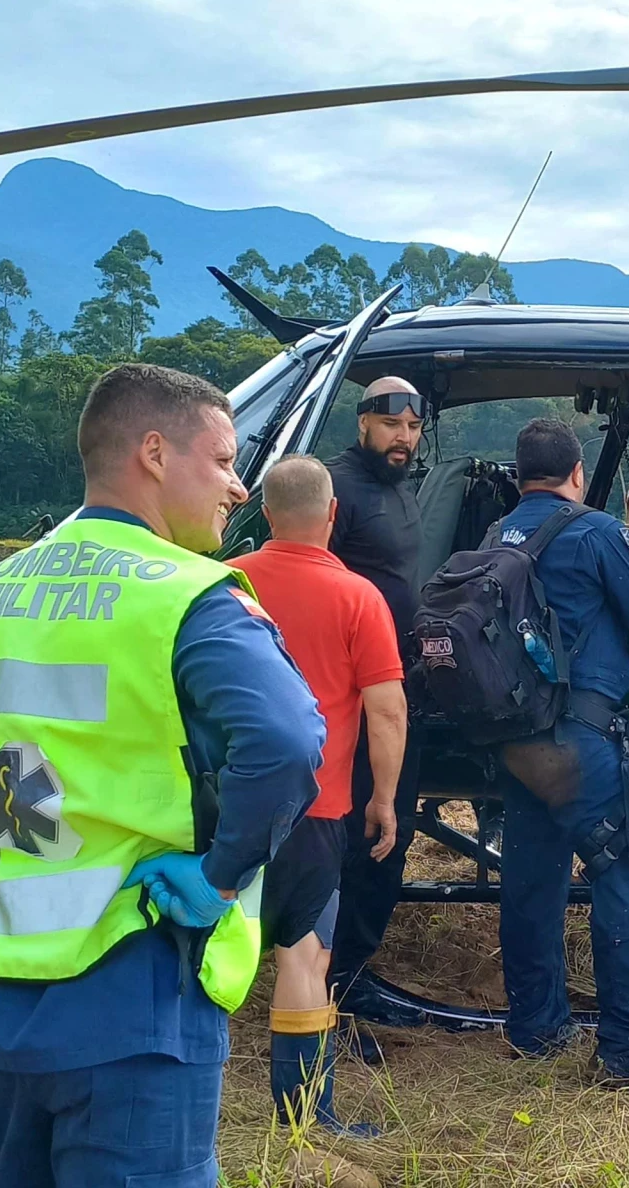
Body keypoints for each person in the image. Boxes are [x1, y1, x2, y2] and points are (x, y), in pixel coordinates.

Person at [0, 363, 325, 1188]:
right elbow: (290, 740)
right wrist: (220, 874)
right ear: (155, 453)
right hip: (139, 990)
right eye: (225, 460)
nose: (239, 487)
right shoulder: (188, 600)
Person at [493, 419, 629, 1094]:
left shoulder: (497, 535)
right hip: (583, 738)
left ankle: (536, 1030)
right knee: (621, 871)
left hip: (517, 741)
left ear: (522, 476)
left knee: (529, 883)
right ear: (577, 475)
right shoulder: (598, 531)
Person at [230, 455, 408, 1133]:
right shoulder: (361, 597)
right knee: (304, 957)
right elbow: (387, 710)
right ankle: (305, 1116)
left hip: (223, 810)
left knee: (195, 946)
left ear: (267, 515)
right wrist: (384, 798)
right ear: (333, 515)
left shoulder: (227, 584)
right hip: (316, 810)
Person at [324, 376, 429, 1028]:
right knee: (363, 832)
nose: (404, 437)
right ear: (364, 421)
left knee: (392, 831)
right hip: (354, 696)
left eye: (414, 427)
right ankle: (334, 981)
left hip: (398, 684)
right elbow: (319, 582)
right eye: (393, 424)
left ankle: (353, 969)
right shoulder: (337, 488)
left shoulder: (398, 489)